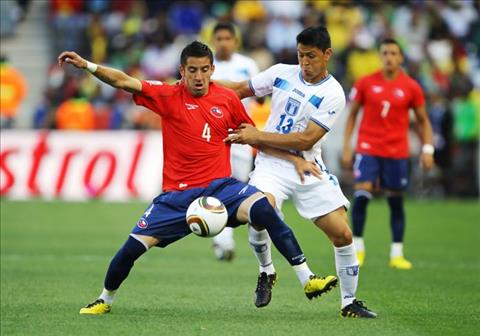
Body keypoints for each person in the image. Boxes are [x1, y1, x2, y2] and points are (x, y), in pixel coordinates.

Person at [57, 41, 337, 315]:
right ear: (182, 70)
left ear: (213, 69)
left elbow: (254, 138)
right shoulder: (167, 96)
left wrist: (294, 159)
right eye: (193, 70)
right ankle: (105, 299)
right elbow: (124, 81)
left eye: (204, 69)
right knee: (130, 250)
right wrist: (88, 66)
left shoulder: (227, 99)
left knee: (264, 207)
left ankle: (307, 278)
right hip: (176, 197)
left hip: (221, 189)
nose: (199, 76)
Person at [220, 26, 377, 318]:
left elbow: (306, 140)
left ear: (327, 54)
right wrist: (202, 84)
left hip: (307, 165)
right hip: (271, 164)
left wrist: (257, 136)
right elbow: (241, 88)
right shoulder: (281, 72)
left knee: (342, 234)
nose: (304, 62)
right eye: (300, 55)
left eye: (311, 56)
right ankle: (266, 271)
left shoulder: (333, 93)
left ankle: (349, 302)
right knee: (260, 211)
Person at [341, 38, 434, 270]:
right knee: (362, 194)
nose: (389, 57)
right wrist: (347, 146)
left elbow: (423, 121)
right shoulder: (365, 83)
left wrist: (427, 149)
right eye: (385, 53)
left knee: (395, 201)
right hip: (368, 148)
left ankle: (397, 254)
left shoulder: (411, 87)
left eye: (393, 53)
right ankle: (358, 250)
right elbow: (352, 115)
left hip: (396, 151)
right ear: (380, 56)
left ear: (401, 58)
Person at [210, 21, 259, 262]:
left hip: (240, 134)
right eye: (219, 38)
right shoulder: (207, 66)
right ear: (213, 41)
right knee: (216, 185)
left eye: (227, 38)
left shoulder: (247, 65)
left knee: (237, 185)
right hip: (213, 135)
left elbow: (259, 97)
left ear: (235, 41)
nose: (223, 43)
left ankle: (223, 235)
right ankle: (222, 239)